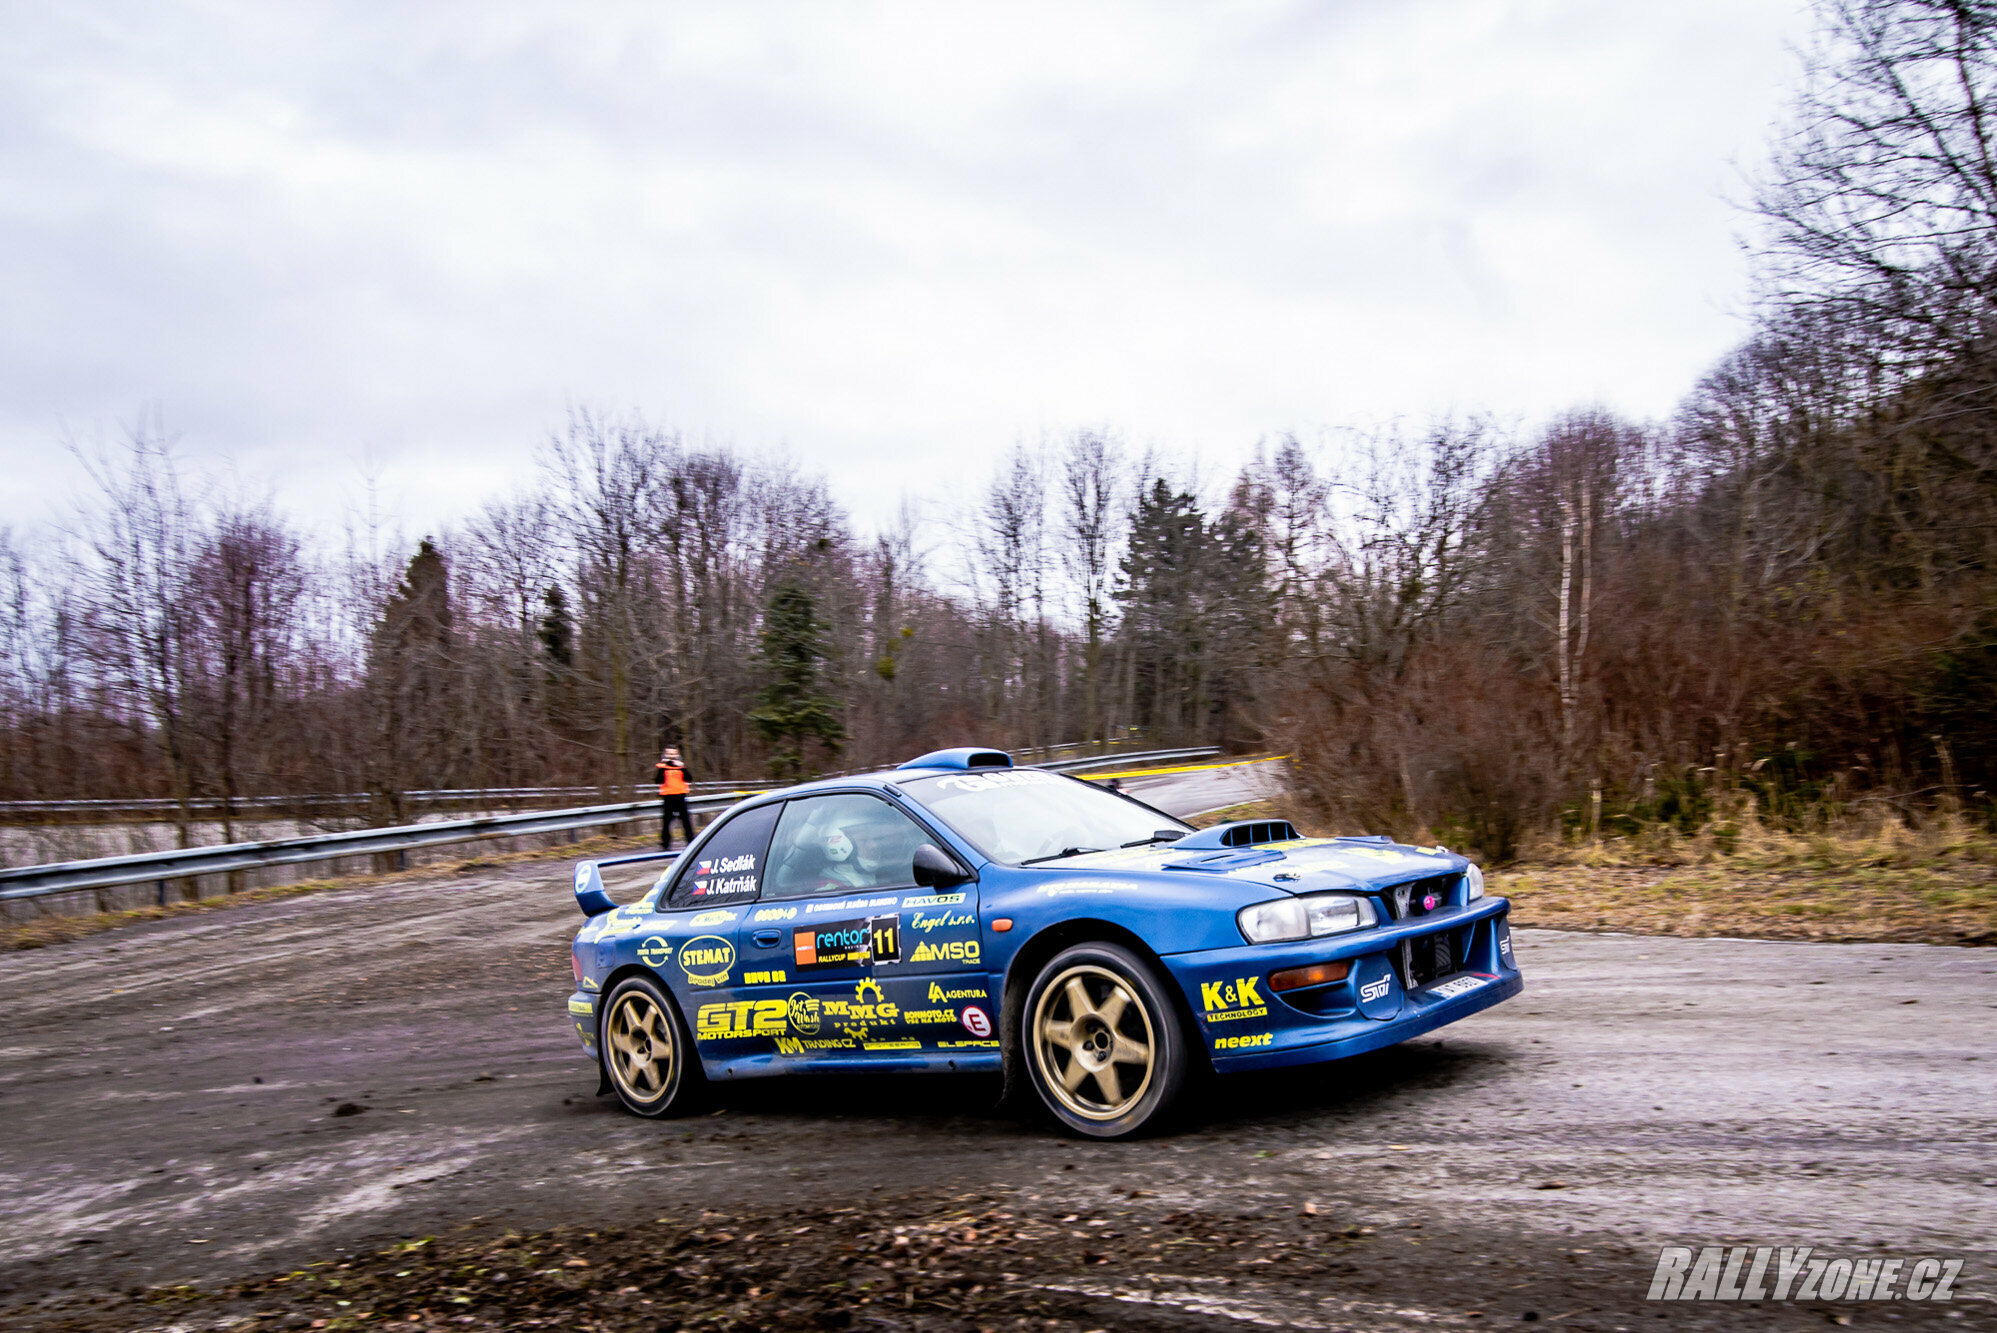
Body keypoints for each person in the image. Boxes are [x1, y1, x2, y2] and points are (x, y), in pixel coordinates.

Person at [655, 747, 695, 850]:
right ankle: (665, 845)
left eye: (674, 754)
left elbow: (689, 778)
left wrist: (682, 768)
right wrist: (663, 767)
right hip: (668, 797)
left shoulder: (681, 766)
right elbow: (658, 780)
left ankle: (691, 843)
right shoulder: (662, 767)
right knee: (666, 822)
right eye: (669, 754)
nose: (672, 756)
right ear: (666, 755)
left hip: (681, 796)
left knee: (686, 821)